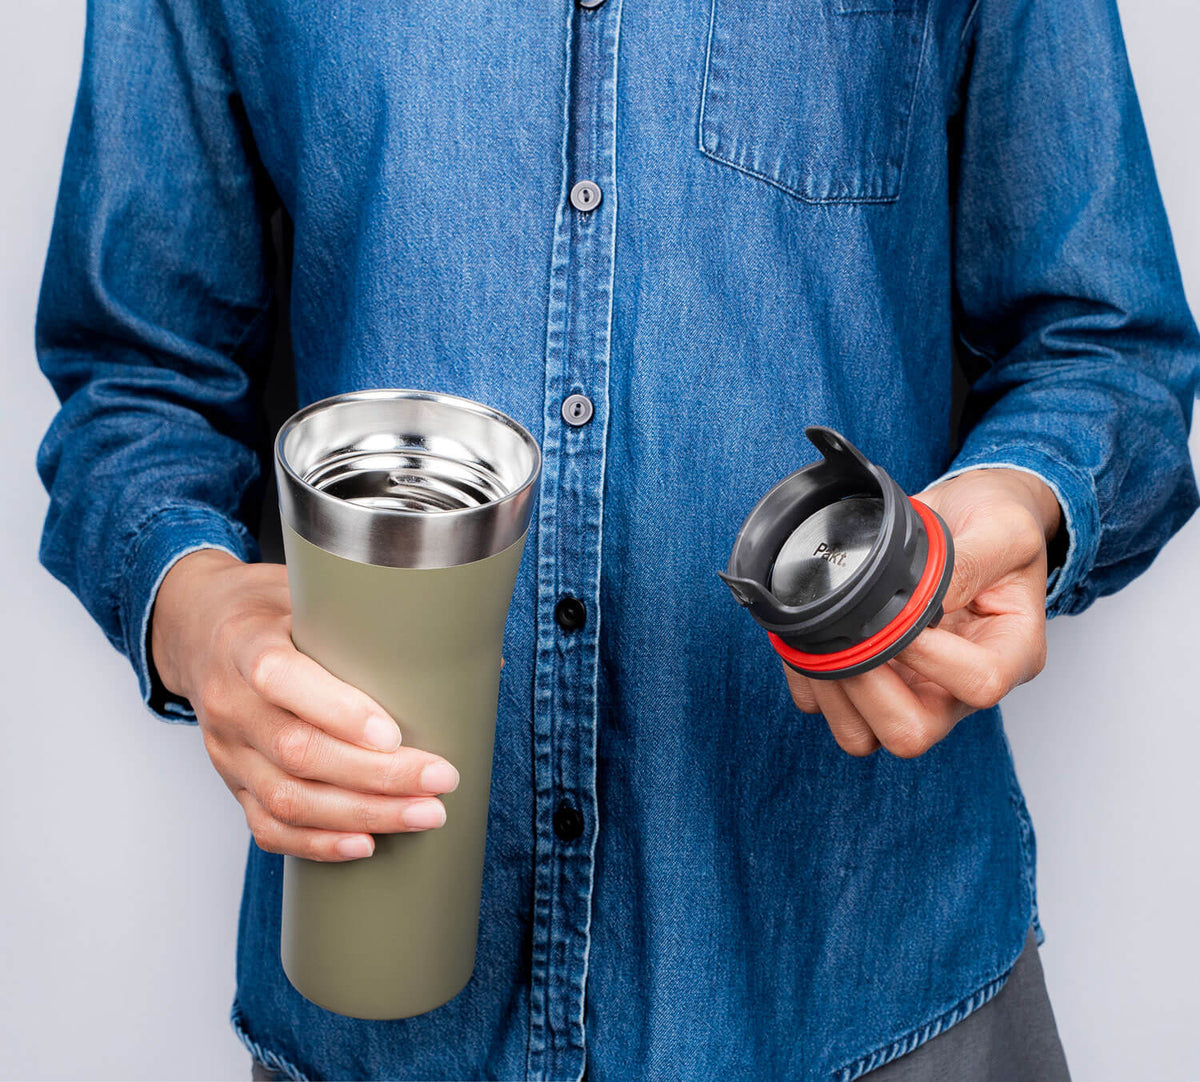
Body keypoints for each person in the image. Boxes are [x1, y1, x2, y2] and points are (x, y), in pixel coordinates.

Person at [34, 0, 1198, 1079]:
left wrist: (1017, 499)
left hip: (871, 983)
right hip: (383, 1016)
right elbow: (135, 385)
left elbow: (1104, 339)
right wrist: (194, 613)